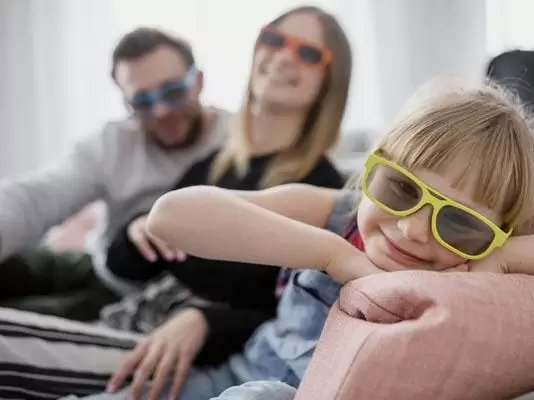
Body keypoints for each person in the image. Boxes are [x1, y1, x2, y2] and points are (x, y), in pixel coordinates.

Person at [80, 77, 534, 400]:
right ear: (372, 170)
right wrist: (334, 255)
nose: (412, 227)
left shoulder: (480, 264)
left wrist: (509, 239)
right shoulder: (338, 212)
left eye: (458, 222)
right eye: (401, 189)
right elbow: (170, 216)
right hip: (223, 376)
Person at [0, 6, 352, 400]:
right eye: (275, 39)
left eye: (308, 53)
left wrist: (207, 320)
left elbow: (296, 317)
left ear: (329, 82)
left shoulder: (323, 190)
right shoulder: (216, 163)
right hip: (127, 315)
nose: (284, 56)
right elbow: (127, 262)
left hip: (172, 353)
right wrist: (137, 232)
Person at [0, 26, 231, 320]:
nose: (160, 111)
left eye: (172, 92)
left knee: (16, 323)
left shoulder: (237, 144)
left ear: (198, 81)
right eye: (142, 102)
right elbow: (34, 199)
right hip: (94, 265)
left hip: (134, 299)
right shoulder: (115, 143)